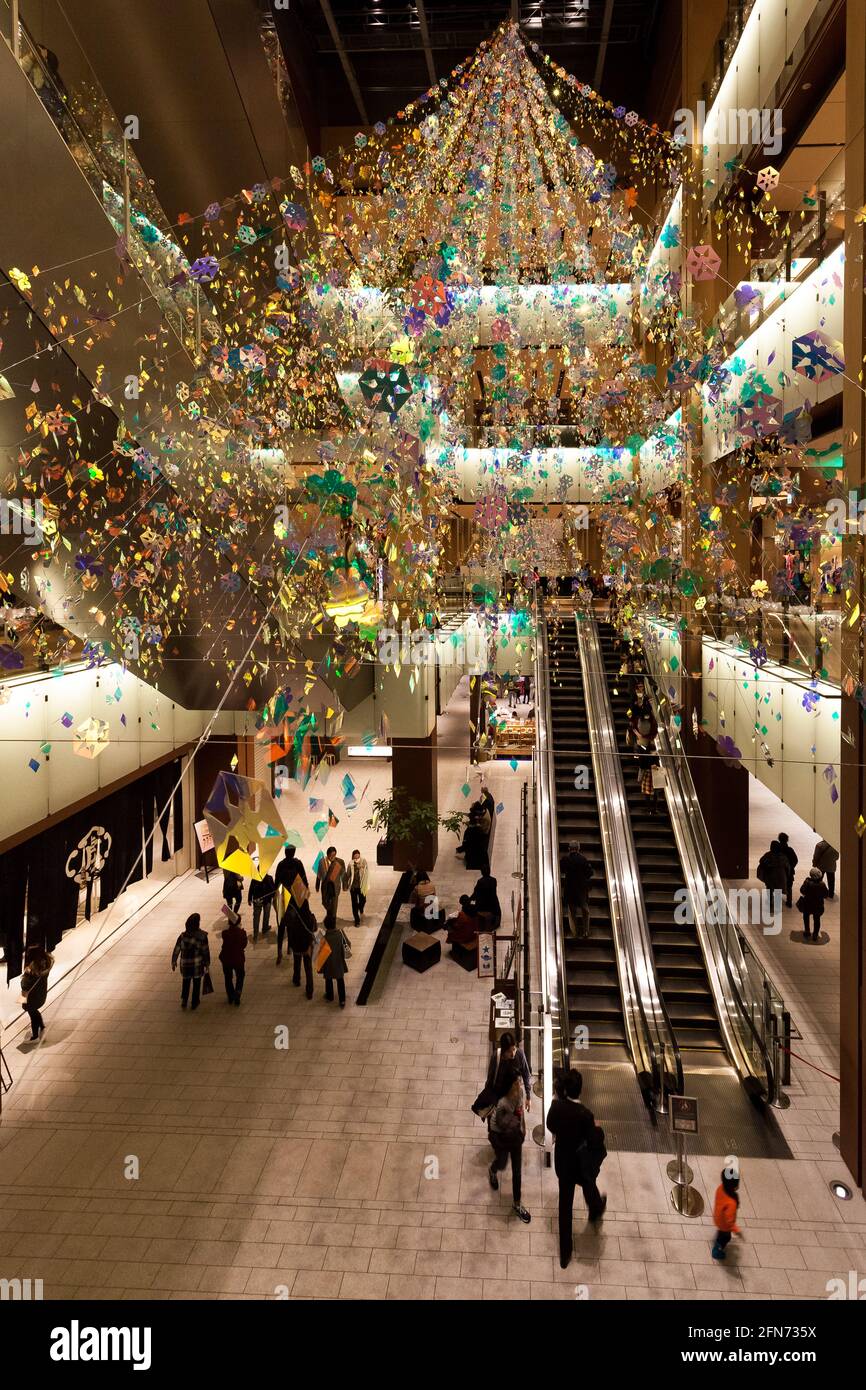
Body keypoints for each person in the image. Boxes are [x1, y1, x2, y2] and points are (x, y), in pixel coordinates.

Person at [546, 1067, 607, 1266]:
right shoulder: (585, 1114)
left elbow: (550, 1125)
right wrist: (598, 1129)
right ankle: (596, 1210)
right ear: (580, 1090)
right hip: (581, 1163)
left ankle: (565, 1254)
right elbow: (594, 1139)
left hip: (564, 1163)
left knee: (565, 1205)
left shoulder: (557, 1106)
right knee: (589, 1185)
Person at [487, 1063, 531, 1223]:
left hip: (514, 1136)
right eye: (516, 1082)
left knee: (517, 1172)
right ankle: (493, 1170)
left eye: (519, 1081)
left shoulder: (519, 1092)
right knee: (502, 1162)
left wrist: (523, 1127)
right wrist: (516, 1126)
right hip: (500, 1136)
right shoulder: (503, 1103)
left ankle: (517, 1204)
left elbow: (520, 1111)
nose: (519, 1084)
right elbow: (500, 1125)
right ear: (509, 1084)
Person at [171, 913, 210, 1010]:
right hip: (197, 965)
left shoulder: (182, 936)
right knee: (196, 983)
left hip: (185, 964)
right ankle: (194, 1002)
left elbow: (177, 949)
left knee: (186, 982)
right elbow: (205, 951)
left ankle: (184, 1000)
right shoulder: (202, 937)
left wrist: (174, 961)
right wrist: (207, 963)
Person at [485, 1031, 531, 1112]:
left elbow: (526, 1074)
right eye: (509, 1051)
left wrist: (528, 1096)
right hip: (499, 1097)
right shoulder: (496, 1057)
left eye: (514, 1049)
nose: (513, 1054)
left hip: (515, 1096)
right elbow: (490, 1078)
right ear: (503, 1051)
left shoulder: (520, 1054)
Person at [20, 945, 53, 1040]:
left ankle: (35, 1035)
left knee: (32, 1015)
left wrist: (25, 974)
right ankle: (41, 1025)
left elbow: (24, 986)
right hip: (41, 994)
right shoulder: (46, 963)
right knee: (34, 1011)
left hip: (31, 998)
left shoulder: (32, 971)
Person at [711, 1161, 743, 1261]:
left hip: (717, 1217)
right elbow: (730, 1221)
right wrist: (737, 1231)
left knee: (721, 1234)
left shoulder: (720, 1188)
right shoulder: (731, 1203)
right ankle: (717, 1251)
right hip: (724, 1225)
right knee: (726, 1238)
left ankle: (718, 1238)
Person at [561, 841, 593, 938]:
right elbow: (590, 873)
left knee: (572, 912)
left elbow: (562, 869)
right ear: (578, 849)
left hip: (570, 889)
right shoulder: (583, 859)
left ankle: (575, 932)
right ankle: (586, 931)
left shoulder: (565, 859)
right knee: (585, 910)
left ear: (569, 849)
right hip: (581, 889)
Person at [287, 897, 317, 998]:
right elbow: (314, 929)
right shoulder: (309, 917)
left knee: (297, 962)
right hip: (307, 945)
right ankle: (310, 990)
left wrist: (291, 944)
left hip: (296, 944)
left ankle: (296, 979)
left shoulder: (293, 918)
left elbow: (290, 931)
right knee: (308, 967)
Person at [219, 910, 248, 1006]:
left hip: (226, 958)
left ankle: (230, 996)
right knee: (240, 976)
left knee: (228, 978)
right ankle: (237, 994)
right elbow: (244, 945)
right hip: (238, 959)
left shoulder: (225, 933)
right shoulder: (242, 933)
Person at [321, 913, 349, 1007]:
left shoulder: (324, 938)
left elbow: (321, 954)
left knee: (328, 979)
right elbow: (347, 947)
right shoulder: (339, 935)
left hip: (328, 963)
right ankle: (342, 1000)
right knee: (340, 980)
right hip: (338, 962)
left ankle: (330, 996)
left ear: (325, 926)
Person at [756, 839, 788, 917]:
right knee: (778, 890)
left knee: (769, 890)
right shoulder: (782, 856)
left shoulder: (768, 855)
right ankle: (777, 907)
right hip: (780, 876)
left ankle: (770, 903)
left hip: (770, 876)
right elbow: (787, 866)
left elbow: (761, 861)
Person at [797, 866, 829, 942]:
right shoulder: (822, 884)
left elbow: (802, 891)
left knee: (806, 917)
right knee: (817, 919)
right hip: (818, 905)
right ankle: (815, 934)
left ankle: (807, 931)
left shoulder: (807, 882)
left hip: (807, 904)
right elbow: (826, 895)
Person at [316, 847, 347, 919]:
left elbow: (343, 874)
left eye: (334, 855)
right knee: (326, 903)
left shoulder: (340, 862)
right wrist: (317, 885)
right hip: (325, 887)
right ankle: (329, 916)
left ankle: (333, 919)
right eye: (331, 855)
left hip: (335, 887)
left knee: (334, 906)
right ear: (327, 854)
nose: (333, 857)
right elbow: (319, 874)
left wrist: (345, 885)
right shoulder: (322, 862)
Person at [247, 871, 276, 942]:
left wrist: (249, 899)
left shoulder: (254, 879)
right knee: (266, 915)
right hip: (267, 900)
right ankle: (265, 928)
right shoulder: (269, 878)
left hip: (257, 900)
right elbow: (273, 891)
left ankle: (255, 935)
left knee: (256, 918)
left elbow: (251, 889)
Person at [348, 849, 369, 926]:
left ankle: (361, 909)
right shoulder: (350, 864)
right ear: (353, 857)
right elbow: (348, 874)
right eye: (355, 857)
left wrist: (362, 868)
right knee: (354, 903)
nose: (356, 859)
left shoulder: (363, 861)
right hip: (353, 887)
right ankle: (357, 920)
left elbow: (367, 872)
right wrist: (345, 884)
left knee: (363, 900)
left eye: (358, 857)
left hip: (361, 886)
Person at [777, 832, 798, 909]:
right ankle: (789, 902)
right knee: (789, 886)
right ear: (787, 840)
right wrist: (791, 867)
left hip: (779, 871)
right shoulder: (790, 850)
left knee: (778, 886)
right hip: (789, 872)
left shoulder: (777, 849)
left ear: (779, 839)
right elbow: (795, 860)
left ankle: (777, 903)